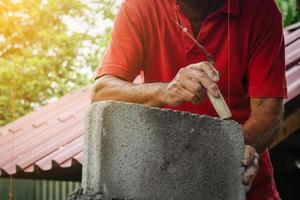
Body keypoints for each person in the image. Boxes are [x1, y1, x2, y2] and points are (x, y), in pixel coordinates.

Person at [91, 0, 287, 199]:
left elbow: (268, 110)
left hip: (242, 184)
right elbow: (102, 92)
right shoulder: (139, 7)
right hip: (168, 182)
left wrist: (239, 149)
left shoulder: (260, 8)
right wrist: (166, 91)